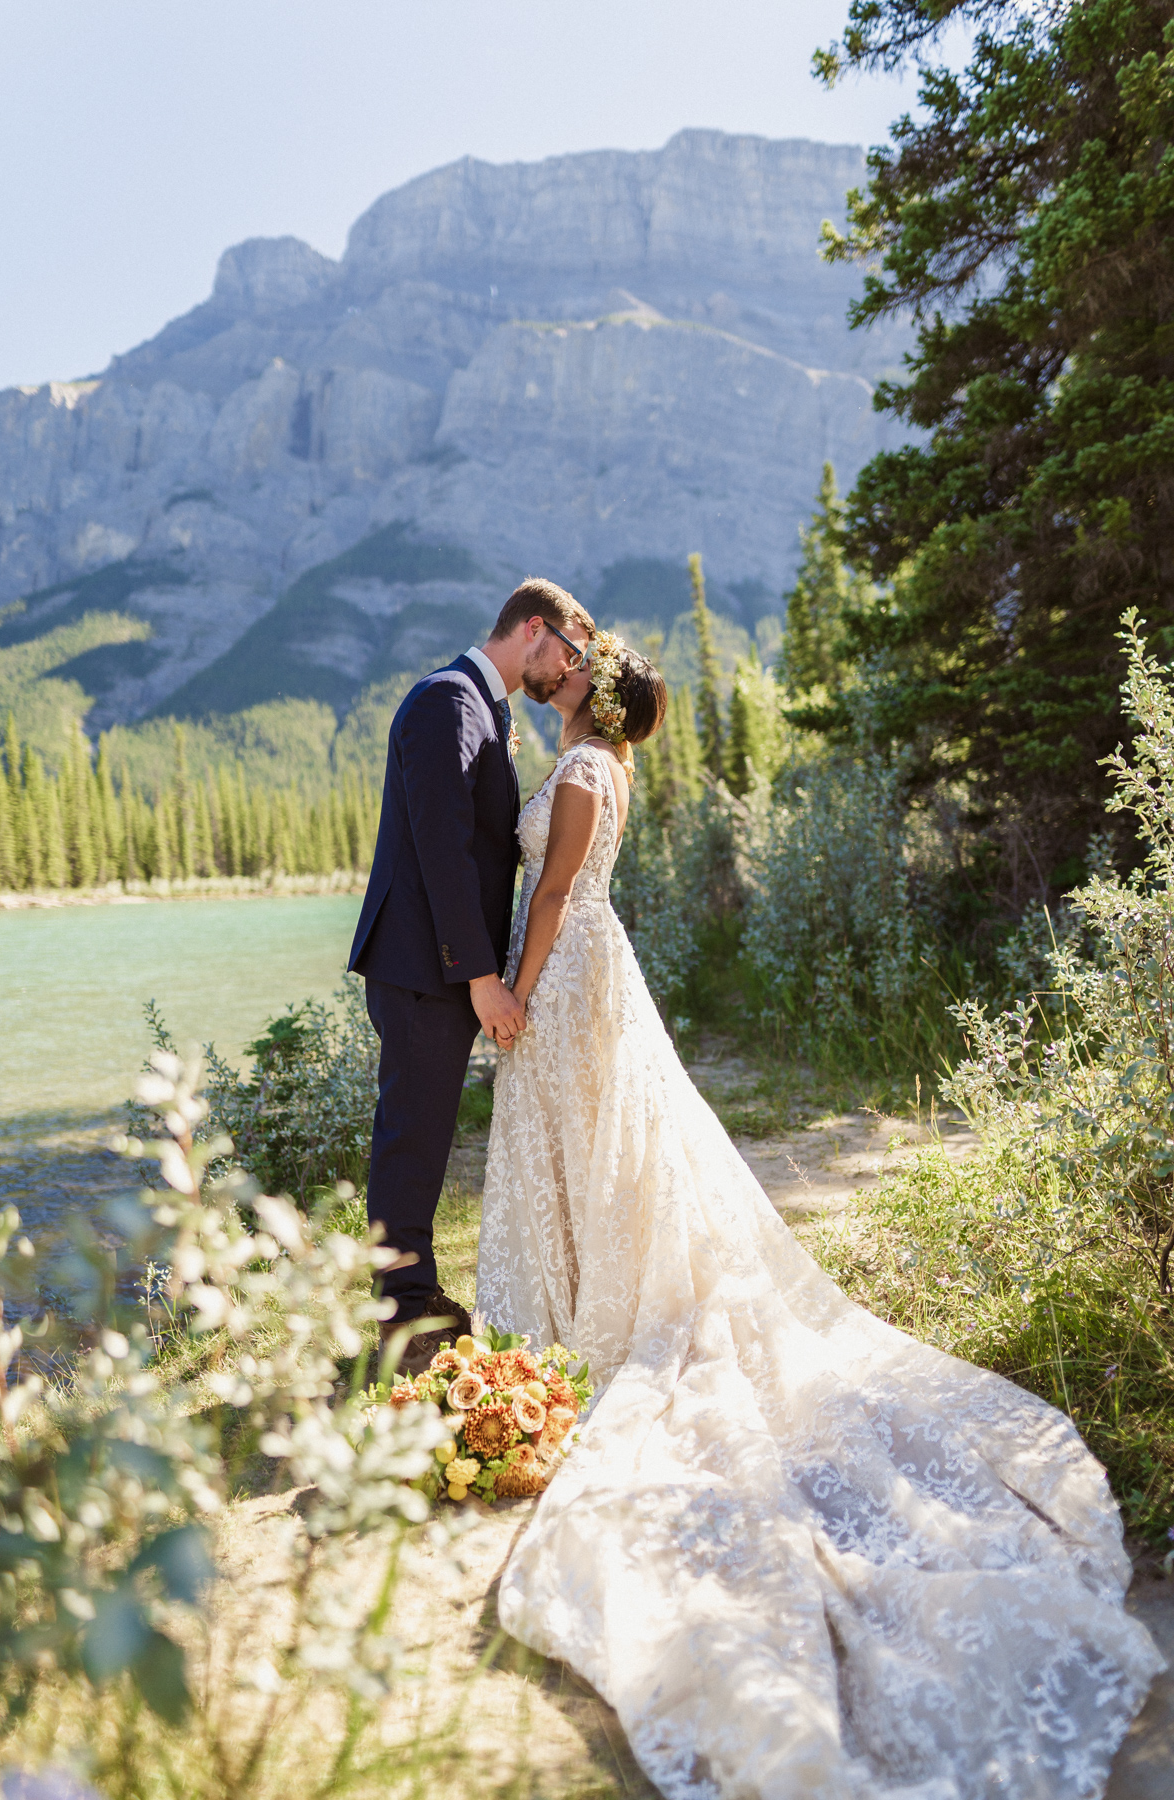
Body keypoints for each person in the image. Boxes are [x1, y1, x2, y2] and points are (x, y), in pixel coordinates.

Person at [476, 631, 1163, 1800]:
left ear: (599, 693)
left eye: (578, 672)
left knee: (595, 1144)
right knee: (592, 1151)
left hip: (576, 970)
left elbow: (554, 889)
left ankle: (596, 1307)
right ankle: (575, 1294)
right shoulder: (596, 762)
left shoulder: (589, 774)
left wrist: (521, 989)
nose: (565, 679)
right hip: (582, 965)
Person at [348, 578, 594, 1374]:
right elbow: (441, 852)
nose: (569, 668)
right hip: (425, 964)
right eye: (570, 651)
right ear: (534, 629)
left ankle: (411, 1293)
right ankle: (403, 1310)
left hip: (436, 965)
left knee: (422, 1129)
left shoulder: (485, 708)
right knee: (411, 1133)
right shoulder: (447, 701)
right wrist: (481, 976)